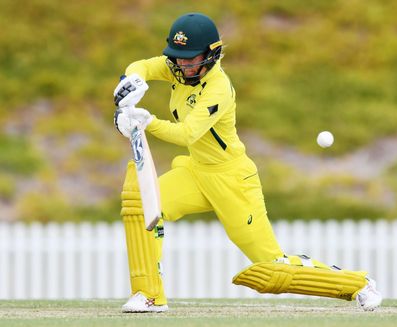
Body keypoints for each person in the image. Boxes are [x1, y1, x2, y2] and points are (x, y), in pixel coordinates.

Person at [113, 12, 382, 313]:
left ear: (211, 55)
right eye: (177, 58)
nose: (182, 65)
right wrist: (130, 81)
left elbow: (188, 134)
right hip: (197, 172)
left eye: (190, 59)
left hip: (233, 181)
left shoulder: (218, 88)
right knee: (140, 203)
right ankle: (149, 295)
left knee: (270, 267)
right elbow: (145, 66)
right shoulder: (179, 67)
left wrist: (145, 122)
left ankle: (357, 283)